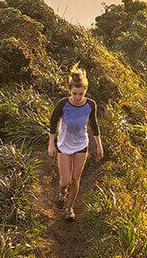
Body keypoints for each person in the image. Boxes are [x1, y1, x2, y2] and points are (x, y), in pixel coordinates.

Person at [47, 63, 104, 221]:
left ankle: (69, 208)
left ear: (85, 91)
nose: (78, 97)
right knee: (65, 181)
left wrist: (99, 146)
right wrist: (51, 143)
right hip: (64, 145)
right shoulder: (63, 104)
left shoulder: (91, 105)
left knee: (75, 179)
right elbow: (53, 122)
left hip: (81, 145)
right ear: (70, 91)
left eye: (81, 93)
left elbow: (94, 124)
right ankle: (61, 192)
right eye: (75, 93)